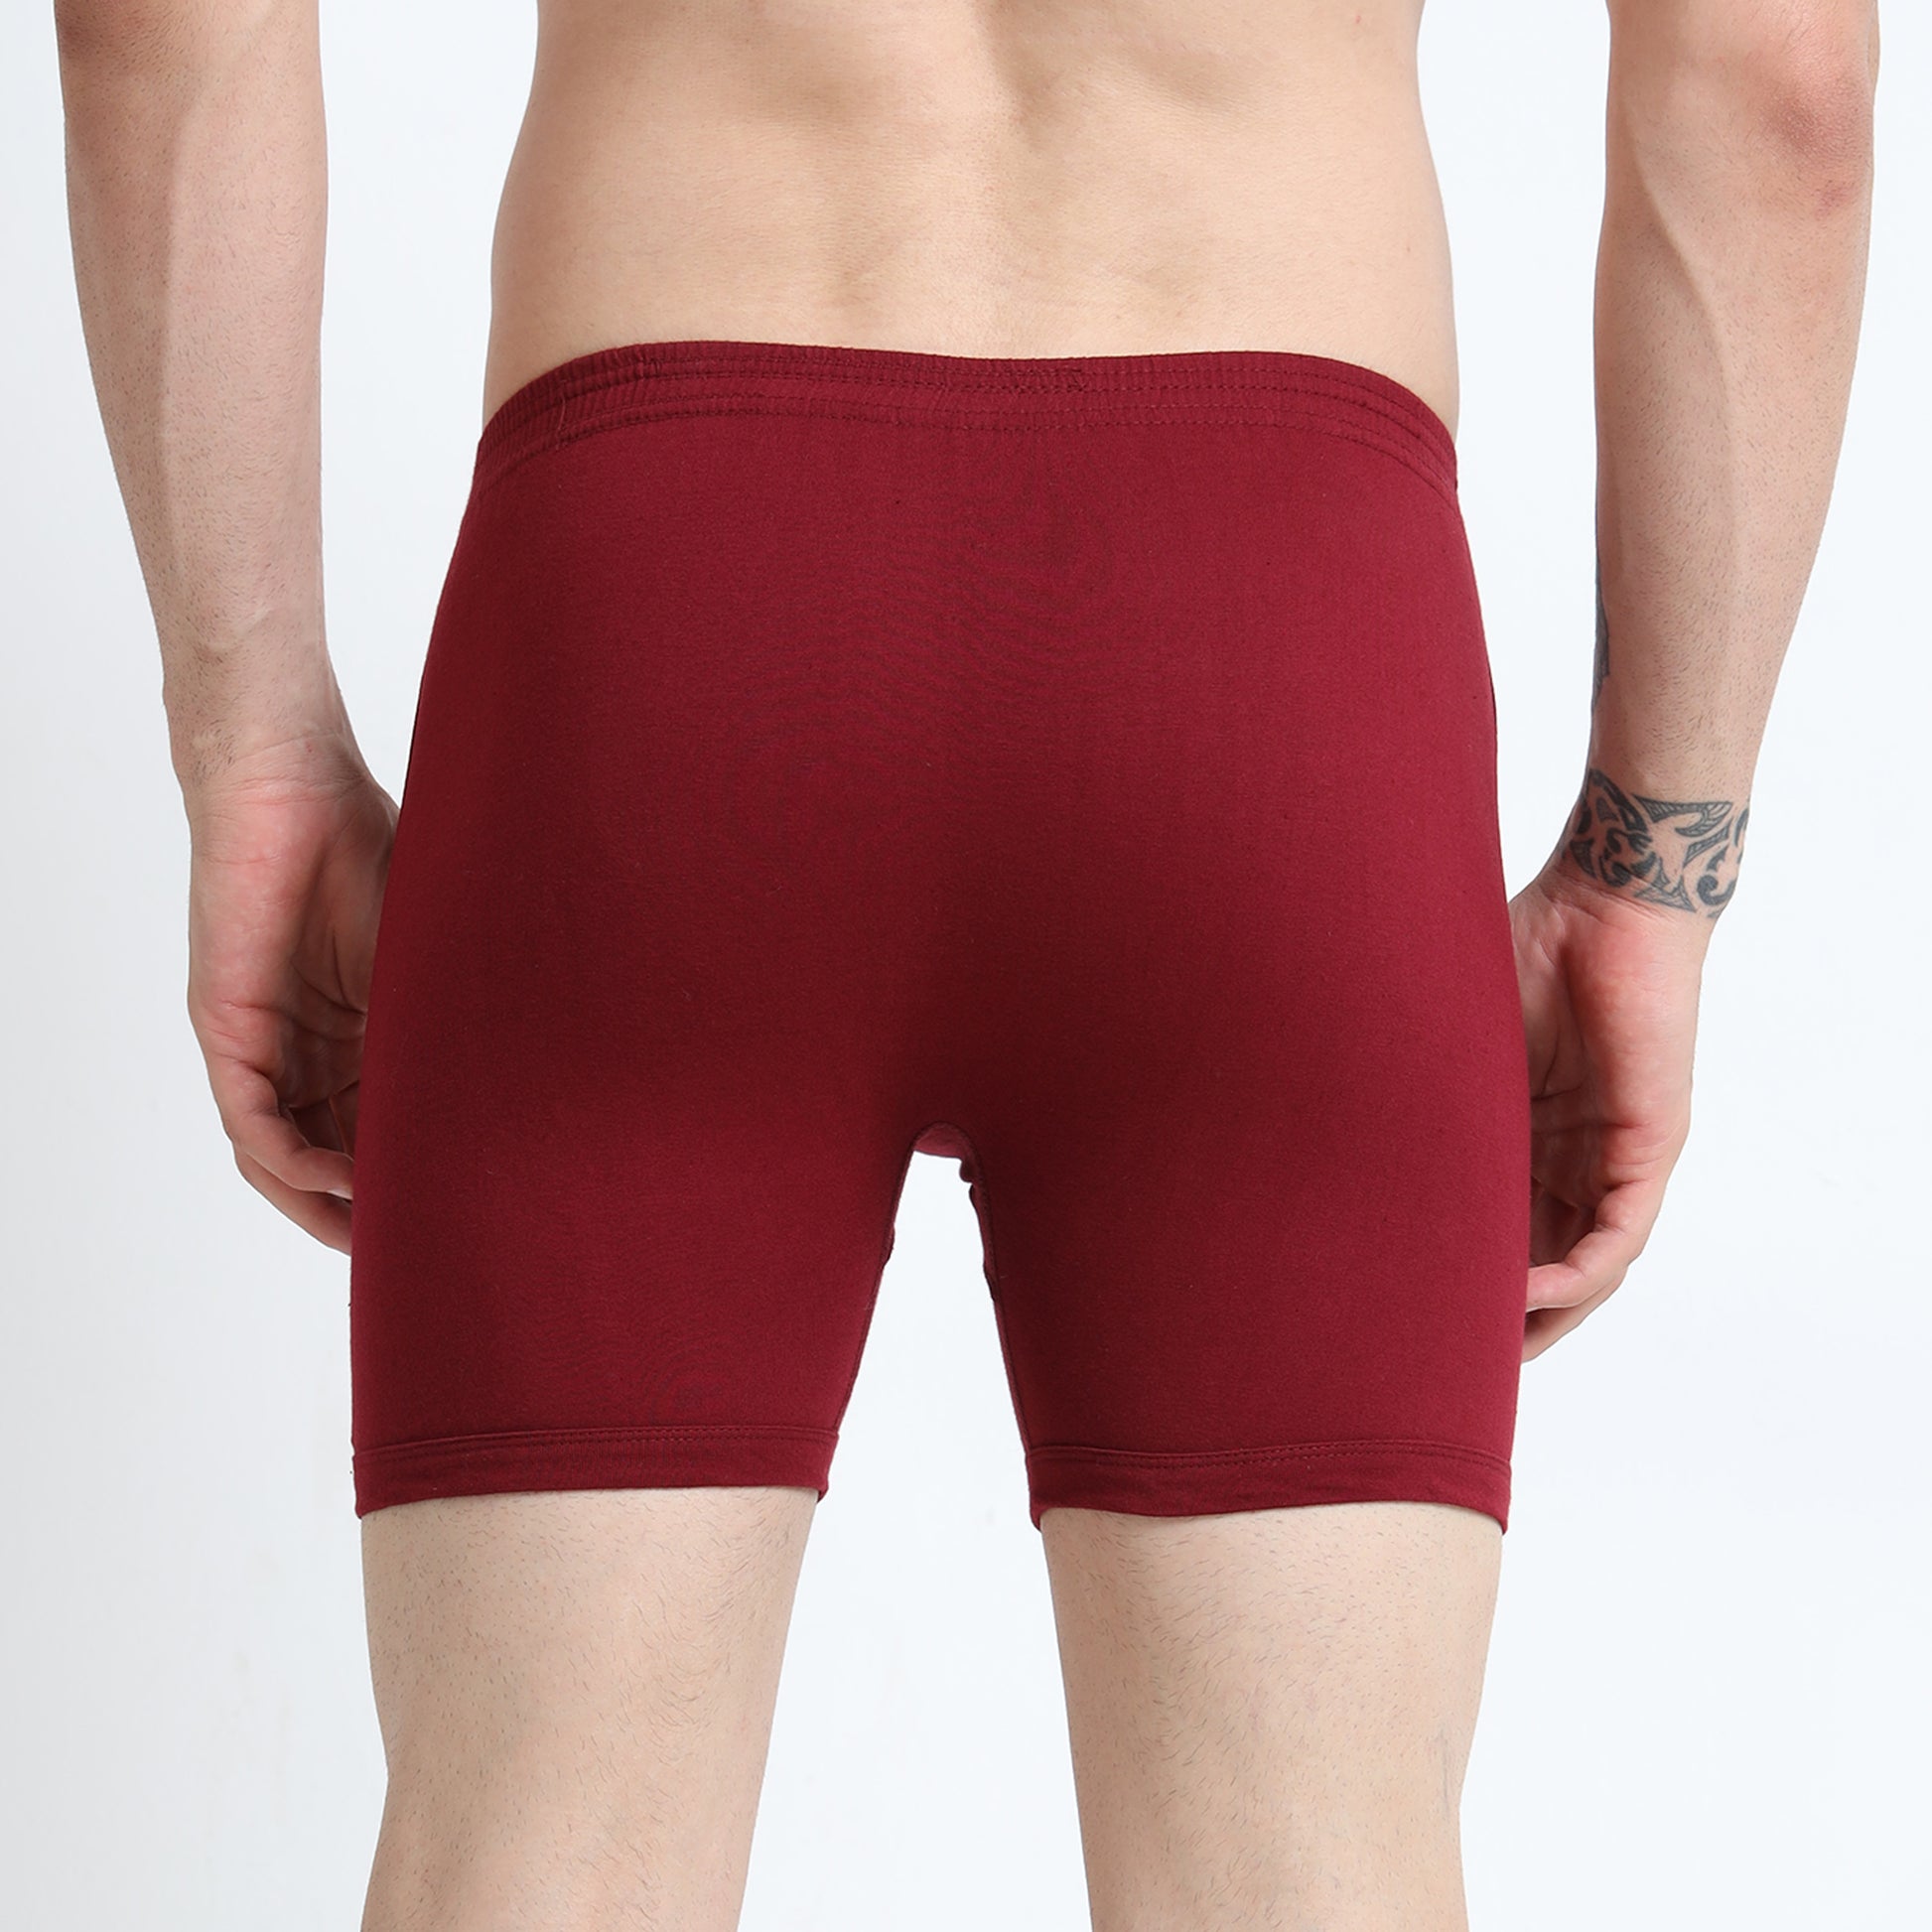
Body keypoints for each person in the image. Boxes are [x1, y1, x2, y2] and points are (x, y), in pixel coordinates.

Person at [54, 0, 1877, 1925]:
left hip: (669, 618)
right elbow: (1780, 86)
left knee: (537, 1862)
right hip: (1269, 655)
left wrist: (250, 749)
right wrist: (1652, 872)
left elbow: (156, 29)